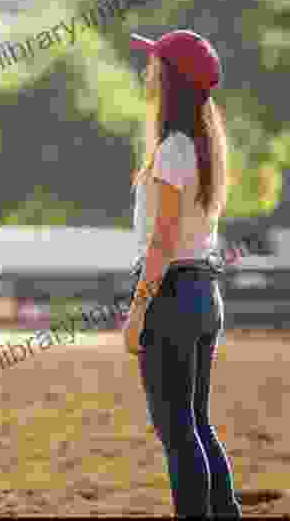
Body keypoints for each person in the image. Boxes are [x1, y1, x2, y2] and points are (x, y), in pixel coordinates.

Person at [128, 29, 242, 517]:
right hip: (203, 294)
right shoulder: (202, 145)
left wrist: (137, 311)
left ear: (169, 77)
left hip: (172, 296)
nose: (148, 69)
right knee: (195, 422)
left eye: (155, 62)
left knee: (177, 431)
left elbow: (162, 241)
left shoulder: (175, 148)